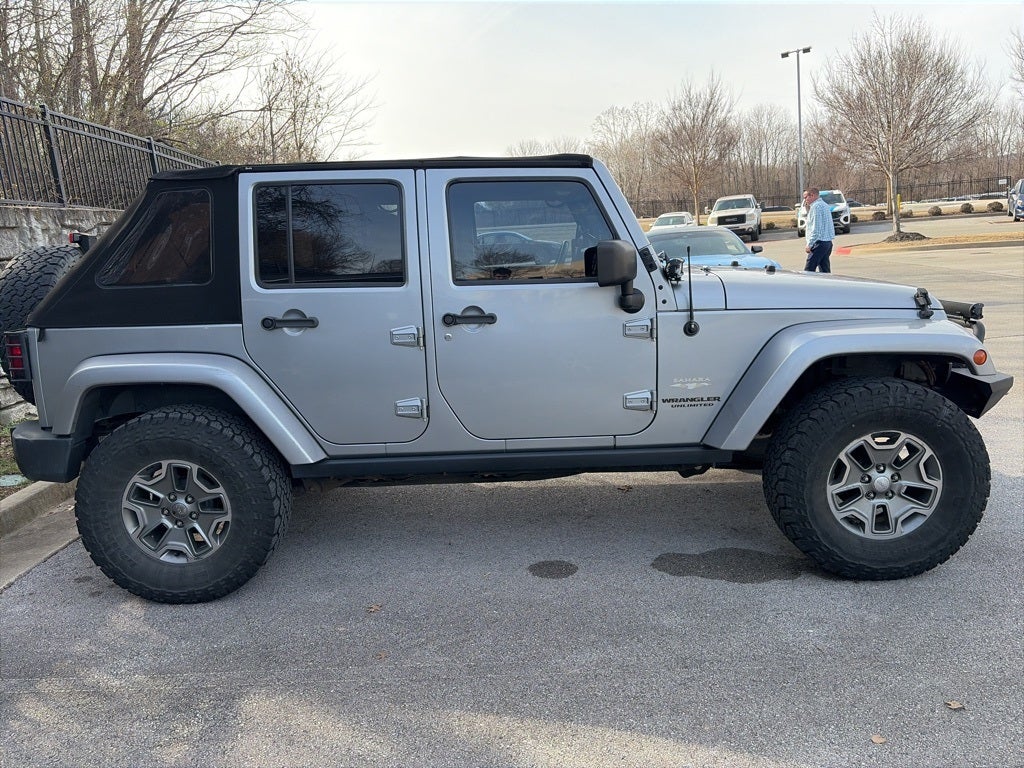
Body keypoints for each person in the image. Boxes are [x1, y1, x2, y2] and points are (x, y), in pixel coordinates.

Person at [802, 187, 836, 273]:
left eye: (806, 197)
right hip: (827, 242)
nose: (805, 200)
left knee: (809, 270)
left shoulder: (816, 207)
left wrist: (809, 244)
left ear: (812, 195)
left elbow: (816, 229)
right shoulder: (824, 205)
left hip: (819, 243)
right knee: (825, 271)